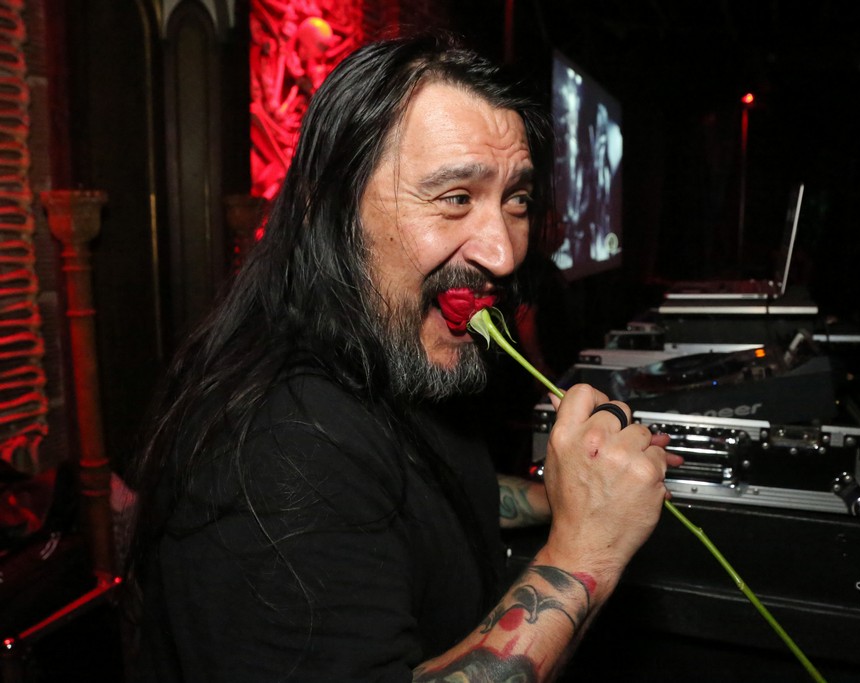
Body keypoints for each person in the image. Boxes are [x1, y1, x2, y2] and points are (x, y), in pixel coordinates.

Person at [125, 33, 677, 682]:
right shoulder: (279, 447)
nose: (503, 254)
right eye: (455, 198)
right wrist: (587, 551)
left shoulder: (379, 353)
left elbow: (400, 493)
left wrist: (568, 494)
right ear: (330, 210)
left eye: (517, 200)